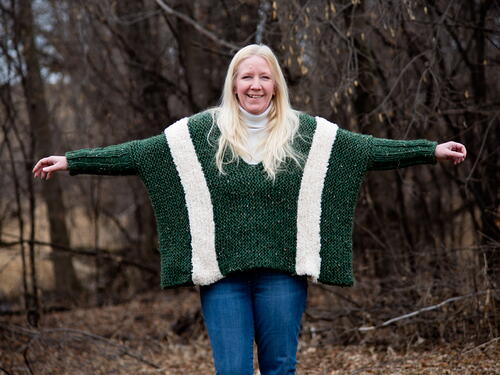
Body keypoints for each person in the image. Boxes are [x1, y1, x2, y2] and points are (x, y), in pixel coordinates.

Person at [33, 44, 466, 375]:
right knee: (234, 370)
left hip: (281, 274)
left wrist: (431, 151)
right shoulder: (199, 134)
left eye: (264, 77)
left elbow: (369, 150)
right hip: (223, 277)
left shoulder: (307, 134)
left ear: (276, 83)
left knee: (280, 368)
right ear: (233, 84)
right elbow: (139, 155)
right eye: (246, 78)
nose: (255, 85)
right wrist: (73, 161)